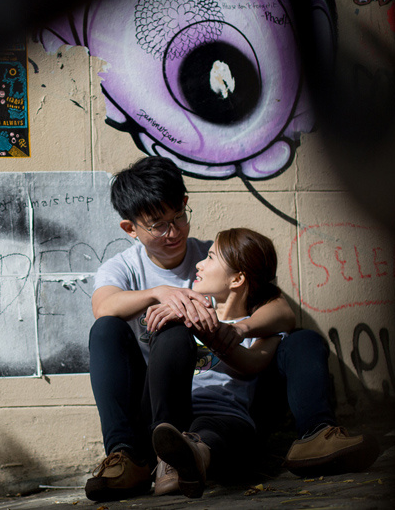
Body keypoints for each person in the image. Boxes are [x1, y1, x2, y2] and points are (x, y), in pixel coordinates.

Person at [84, 156, 378, 502]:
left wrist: (236, 331)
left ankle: (316, 435)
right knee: (110, 330)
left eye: (178, 217)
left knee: (303, 340)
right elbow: (103, 306)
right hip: (159, 404)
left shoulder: (216, 258)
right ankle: (127, 456)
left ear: (185, 203)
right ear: (131, 229)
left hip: (228, 406)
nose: (173, 232)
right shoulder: (123, 268)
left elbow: (282, 312)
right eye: (158, 225)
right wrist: (159, 294)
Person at [147, 227, 284, 498]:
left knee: (212, 431)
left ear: (237, 279)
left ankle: (191, 459)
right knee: (171, 332)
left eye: (210, 257)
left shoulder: (261, 328)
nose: (199, 264)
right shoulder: (186, 313)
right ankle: (169, 460)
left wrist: (210, 333)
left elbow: (253, 363)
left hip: (226, 420)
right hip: (175, 415)